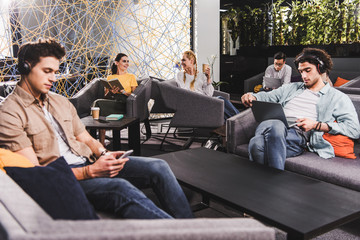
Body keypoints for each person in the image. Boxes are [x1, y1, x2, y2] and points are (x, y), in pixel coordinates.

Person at [0, 38, 193, 219]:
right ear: (25, 66)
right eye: (47, 71)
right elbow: (37, 175)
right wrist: (89, 172)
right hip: (65, 177)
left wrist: (103, 153)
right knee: (120, 188)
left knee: (158, 166)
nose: (53, 78)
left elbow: (85, 137)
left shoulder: (60, 102)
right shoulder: (9, 113)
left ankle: (195, 228)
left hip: (89, 161)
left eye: (55, 72)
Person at [241, 48, 360, 170]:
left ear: (320, 68)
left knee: (256, 145)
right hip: (271, 126)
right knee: (275, 125)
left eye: (307, 70)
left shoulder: (337, 97)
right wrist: (253, 96)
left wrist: (316, 125)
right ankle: (275, 184)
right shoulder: (291, 88)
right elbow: (268, 96)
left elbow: (354, 129)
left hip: (296, 135)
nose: (303, 76)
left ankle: (268, 184)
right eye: (301, 71)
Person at [176, 50, 239, 121]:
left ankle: (236, 121)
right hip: (194, 102)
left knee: (221, 101)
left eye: (184, 60)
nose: (181, 63)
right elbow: (183, 91)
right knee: (220, 101)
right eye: (181, 60)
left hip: (205, 100)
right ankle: (239, 119)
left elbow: (209, 94)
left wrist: (208, 78)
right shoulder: (180, 75)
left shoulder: (201, 75)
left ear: (191, 61)